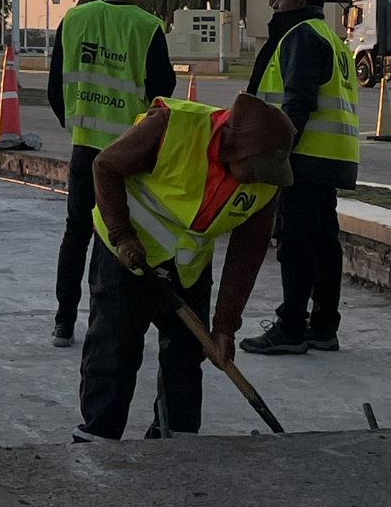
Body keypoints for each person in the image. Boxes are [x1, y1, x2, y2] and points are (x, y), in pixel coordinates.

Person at [76, 93, 294, 442]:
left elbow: (246, 255)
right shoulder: (171, 127)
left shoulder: (267, 184)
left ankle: (177, 443)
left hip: (187, 267)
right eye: (256, 169)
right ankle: (97, 441)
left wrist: (225, 326)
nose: (259, 180)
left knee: (186, 360)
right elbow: (105, 166)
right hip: (127, 257)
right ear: (233, 146)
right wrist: (122, 236)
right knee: (113, 353)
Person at [48, 0, 175, 348]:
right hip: (128, 155)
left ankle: (63, 322)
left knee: (76, 234)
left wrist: (80, 124)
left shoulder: (74, 19)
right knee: (122, 237)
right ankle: (111, 324)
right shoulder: (147, 26)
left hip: (85, 149)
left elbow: (56, 89)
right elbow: (163, 91)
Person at [240, 0, 359, 356]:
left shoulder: (300, 36)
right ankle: (323, 326)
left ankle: (291, 326)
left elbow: (298, 102)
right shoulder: (332, 38)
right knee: (324, 244)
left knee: (296, 243)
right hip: (332, 156)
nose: (275, 5)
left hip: (303, 158)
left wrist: (277, 151)